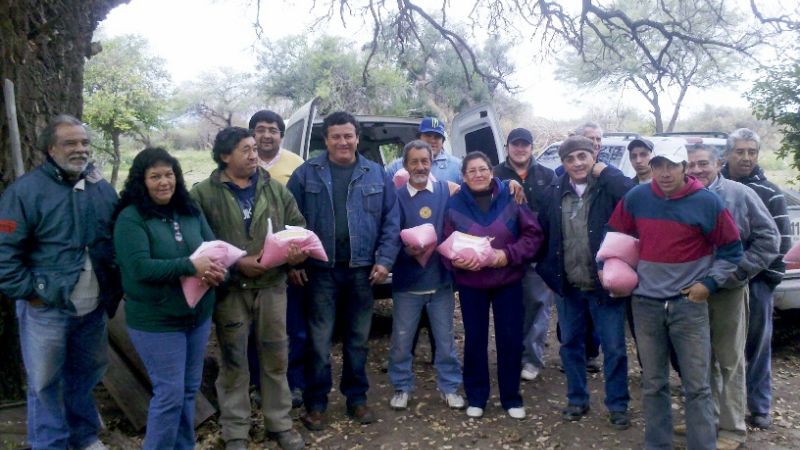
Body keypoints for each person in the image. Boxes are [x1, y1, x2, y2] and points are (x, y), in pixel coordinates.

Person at [607, 141, 743, 450]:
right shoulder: (637, 197)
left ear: (684, 167)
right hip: (645, 304)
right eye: (658, 166)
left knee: (697, 386)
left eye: (672, 166)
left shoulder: (706, 202)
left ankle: (702, 444)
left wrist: (708, 284)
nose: (665, 173)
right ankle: (657, 444)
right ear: (651, 168)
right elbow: (616, 236)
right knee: (654, 383)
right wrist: (616, 271)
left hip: (688, 304)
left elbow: (732, 249)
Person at [0, 114, 121, 450]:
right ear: (51, 148)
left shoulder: (100, 187)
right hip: (47, 308)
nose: (80, 149)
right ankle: (50, 443)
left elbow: (114, 238)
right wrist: (30, 293)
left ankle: (83, 437)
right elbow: (4, 252)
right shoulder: (25, 192)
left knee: (85, 377)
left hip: (93, 307)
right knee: (44, 383)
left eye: (84, 142)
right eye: (70, 143)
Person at [191, 127, 306, 450]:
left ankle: (280, 424)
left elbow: (298, 226)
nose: (254, 155)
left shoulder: (273, 189)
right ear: (225, 156)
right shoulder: (203, 194)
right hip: (231, 290)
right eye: (246, 149)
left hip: (272, 285)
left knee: (275, 356)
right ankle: (236, 431)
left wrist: (294, 251)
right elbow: (196, 241)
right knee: (233, 361)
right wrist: (236, 263)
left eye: (255, 149)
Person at [287, 111, 400, 431]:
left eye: (348, 135)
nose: (342, 141)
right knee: (319, 342)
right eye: (335, 136)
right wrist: (293, 262)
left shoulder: (376, 174)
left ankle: (357, 399)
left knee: (357, 341)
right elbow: (291, 222)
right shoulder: (306, 174)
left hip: (362, 272)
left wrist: (385, 260)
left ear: (357, 138)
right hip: (319, 272)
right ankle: (317, 404)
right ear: (326, 140)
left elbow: (391, 222)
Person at [113, 147, 226, 449]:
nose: (164, 181)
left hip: (197, 315)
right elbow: (138, 267)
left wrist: (216, 271)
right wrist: (190, 266)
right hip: (156, 321)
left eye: (169, 174)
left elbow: (212, 249)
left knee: (189, 390)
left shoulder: (189, 210)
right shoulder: (131, 218)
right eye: (155, 176)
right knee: (170, 393)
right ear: (141, 181)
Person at [686, 144, 780, 449]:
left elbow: (769, 239)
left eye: (703, 164)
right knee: (702, 361)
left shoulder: (740, 194)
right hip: (691, 292)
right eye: (692, 165)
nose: (697, 170)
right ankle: (708, 421)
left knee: (730, 361)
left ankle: (733, 429)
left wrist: (739, 273)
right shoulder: (682, 196)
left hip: (727, 292)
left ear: (718, 163)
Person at [536, 136, 633, 429]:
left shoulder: (609, 187)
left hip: (605, 286)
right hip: (569, 287)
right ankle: (577, 399)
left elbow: (633, 195)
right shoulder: (554, 191)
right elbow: (543, 233)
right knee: (570, 345)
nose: (577, 163)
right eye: (570, 159)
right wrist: (548, 273)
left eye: (583, 156)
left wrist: (608, 171)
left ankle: (617, 405)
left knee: (614, 348)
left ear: (594, 157)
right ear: (563, 163)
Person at [443, 151, 543, 420]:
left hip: (507, 280)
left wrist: (507, 255)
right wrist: (456, 262)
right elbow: (445, 240)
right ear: (463, 176)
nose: (478, 174)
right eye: (471, 170)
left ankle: (511, 397)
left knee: (509, 338)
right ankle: (477, 396)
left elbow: (533, 234)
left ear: (491, 171)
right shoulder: (454, 204)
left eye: (483, 169)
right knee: (475, 339)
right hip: (471, 282)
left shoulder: (512, 196)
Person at [721, 128, 791, 430]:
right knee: (721, 348)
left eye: (752, 152)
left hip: (756, 282)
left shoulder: (771, 192)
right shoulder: (712, 188)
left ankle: (759, 406)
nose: (746, 157)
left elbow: (782, 241)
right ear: (727, 154)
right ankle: (721, 408)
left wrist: (766, 281)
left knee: (758, 346)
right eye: (740, 151)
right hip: (719, 284)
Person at [388, 140, 464, 411]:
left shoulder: (446, 190)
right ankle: (401, 386)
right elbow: (388, 237)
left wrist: (508, 185)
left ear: (432, 163)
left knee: (445, 340)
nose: (420, 166)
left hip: (440, 281)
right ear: (405, 165)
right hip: (407, 284)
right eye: (414, 161)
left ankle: (450, 386)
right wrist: (405, 251)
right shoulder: (395, 196)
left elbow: (481, 190)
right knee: (401, 339)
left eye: (425, 161)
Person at [249, 109, 307, 408]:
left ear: (281, 135)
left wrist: (297, 262)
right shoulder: (243, 162)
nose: (267, 135)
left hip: (288, 263)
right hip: (251, 265)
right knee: (253, 330)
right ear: (252, 134)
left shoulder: (296, 165)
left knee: (293, 327)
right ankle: (257, 384)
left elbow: (301, 217)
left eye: (272, 130)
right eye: (261, 129)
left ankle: (295, 383)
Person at [493, 128, 556, 382]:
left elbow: (552, 216)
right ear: (507, 146)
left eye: (525, 145)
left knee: (538, 308)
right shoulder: (494, 174)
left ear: (531, 147)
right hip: (505, 256)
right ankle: (510, 356)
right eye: (515, 144)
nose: (520, 149)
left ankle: (531, 359)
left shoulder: (547, 175)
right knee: (510, 309)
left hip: (537, 257)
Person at [386, 116, 463, 183]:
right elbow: (390, 198)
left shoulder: (458, 167)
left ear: (442, 141)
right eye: (428, 135)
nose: (432, 140)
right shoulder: (396, 167)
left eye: (437, 137)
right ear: (419, 138)